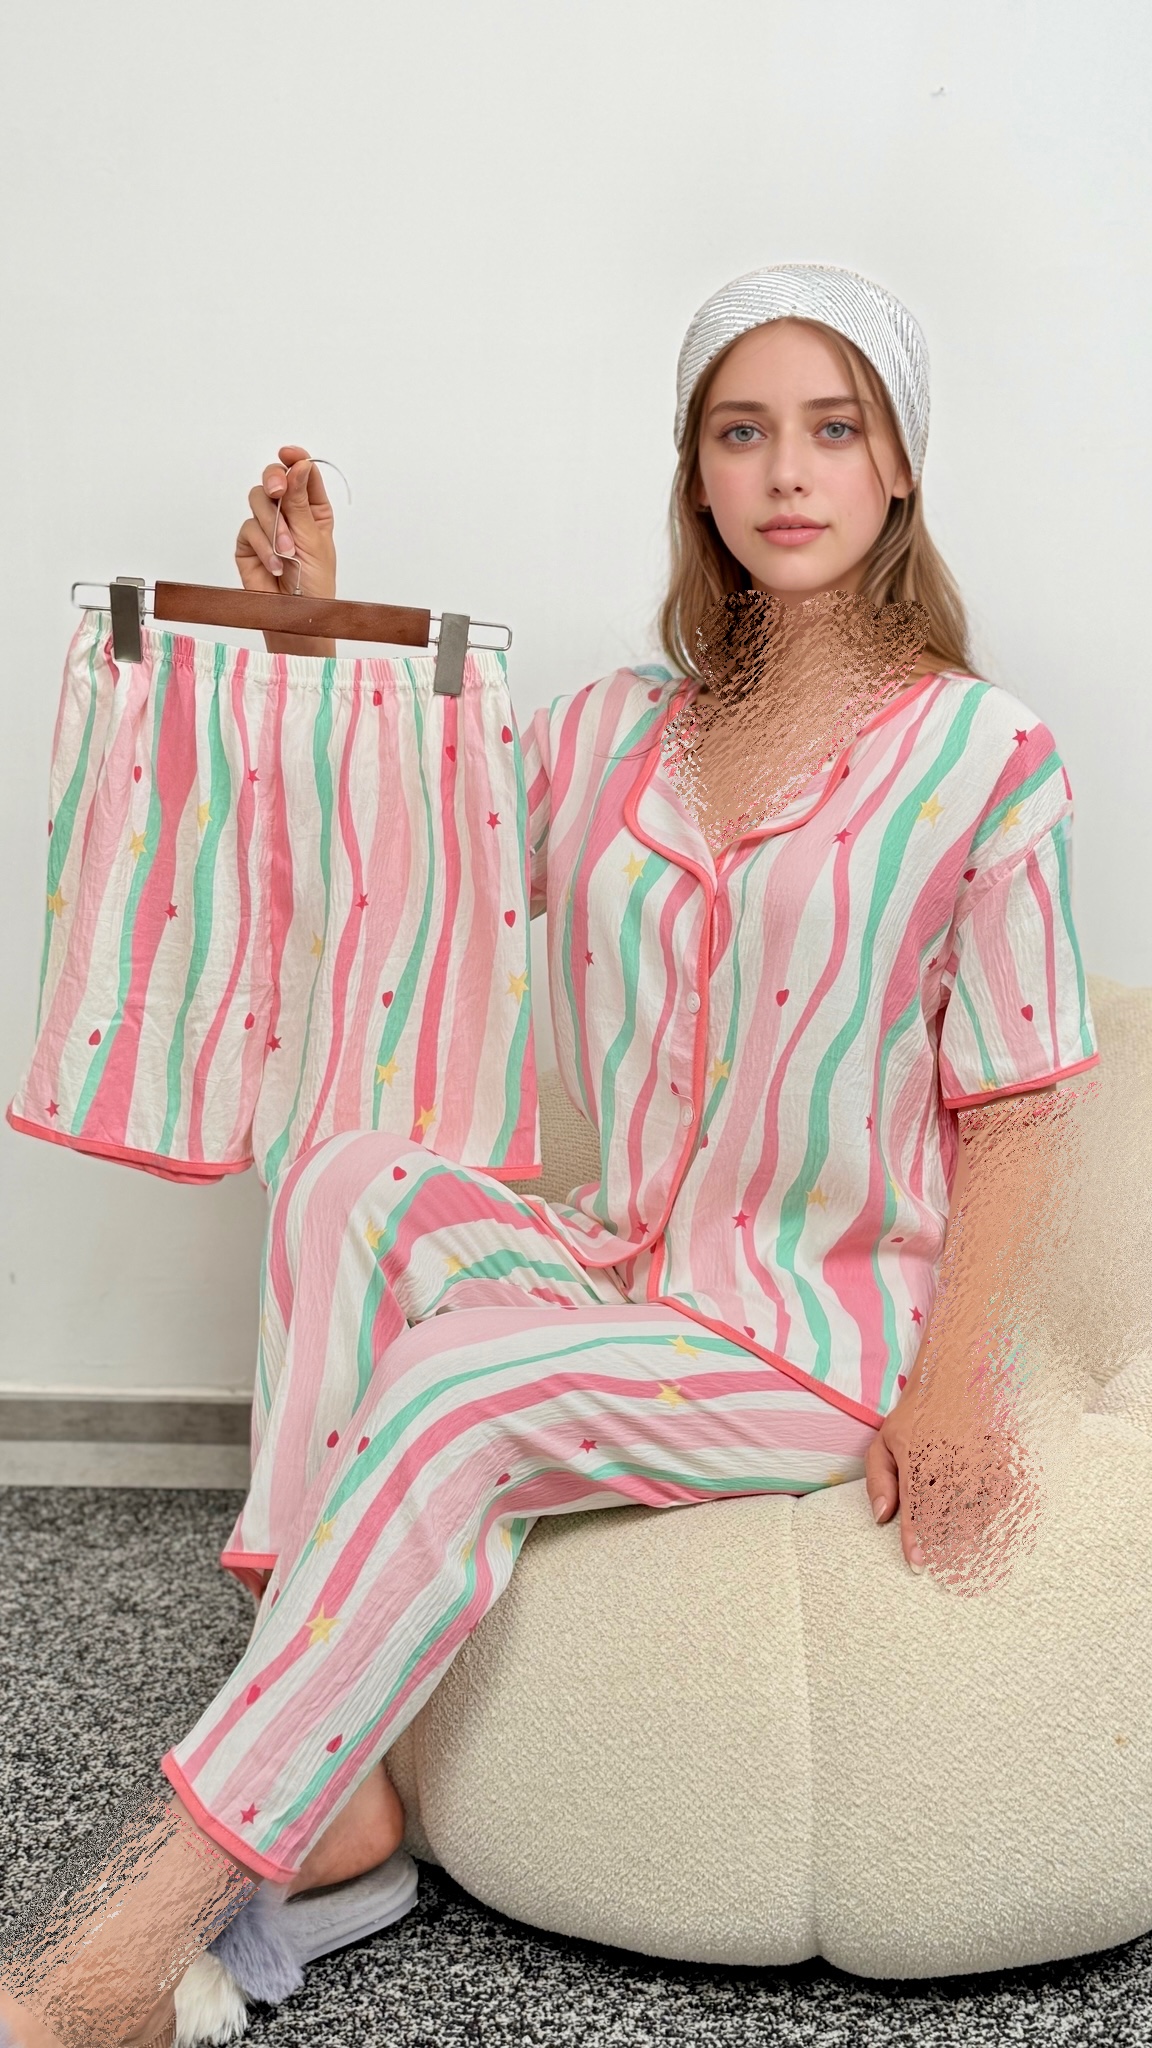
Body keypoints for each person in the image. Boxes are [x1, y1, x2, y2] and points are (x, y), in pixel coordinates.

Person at [0, 264, 1099, 2048]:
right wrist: (315, 630)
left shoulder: (987, 755)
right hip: (622, 1263)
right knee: (346, 1180)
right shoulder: (613, 732)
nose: (787, 472)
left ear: (900, 465)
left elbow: (1023, 1096)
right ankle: (340, 1791)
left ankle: (123, 1952)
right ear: (697, 471)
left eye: (834, 430)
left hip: (808, 1339)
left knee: (458, 1391)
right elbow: (412, 843)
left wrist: (958, 1380)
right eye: (743, 432)